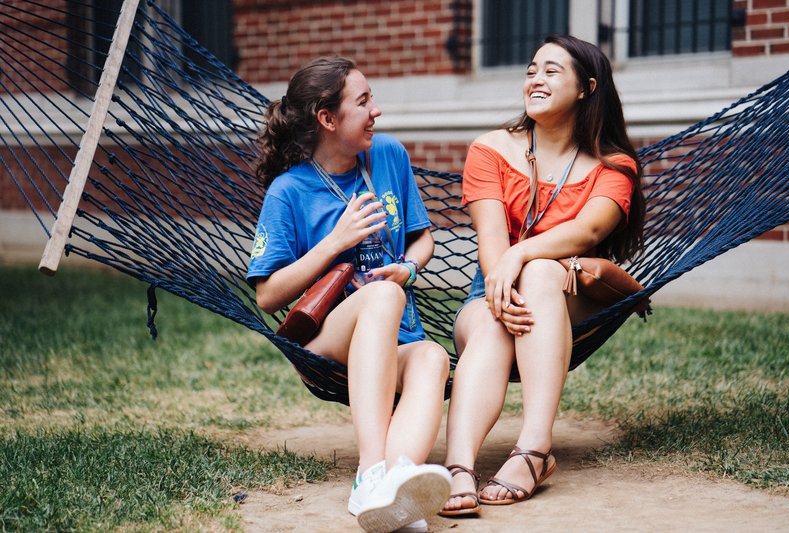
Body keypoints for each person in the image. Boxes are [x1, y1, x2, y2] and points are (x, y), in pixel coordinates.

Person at [439, 35, 645, 516]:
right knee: (490, 322)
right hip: (492, 285)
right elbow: (492, 239)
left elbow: (589, 229)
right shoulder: (489, 149)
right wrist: (504, 273)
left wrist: (521, 257)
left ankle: (534, 448)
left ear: (586, 88)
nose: (536, 78)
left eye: (552, 71)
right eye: (532, 69)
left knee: (541, 274)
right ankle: (459, 467)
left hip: (570, 295)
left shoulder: (614, 165)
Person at [247, 56, 452, 533]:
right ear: (328, 119)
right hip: (326, 343)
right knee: (382, 300)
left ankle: (393, 490)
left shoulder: (389, 157)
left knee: (432, 357)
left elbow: (424, 239)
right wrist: (336, 242)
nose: (376, 110)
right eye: (364, 101)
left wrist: (408, 265)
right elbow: (267, 295)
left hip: (395, 341)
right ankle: (370, 474)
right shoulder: (288, 192)